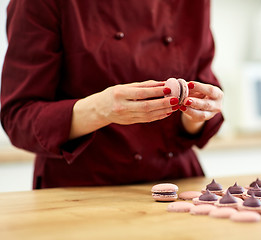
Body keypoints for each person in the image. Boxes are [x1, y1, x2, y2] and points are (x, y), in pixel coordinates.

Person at [0, 0, 224, 189]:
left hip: (176, 183)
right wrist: (100, 109)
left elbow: (204, 98)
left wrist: (196, 113)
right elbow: (18, 115)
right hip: (80, 192)